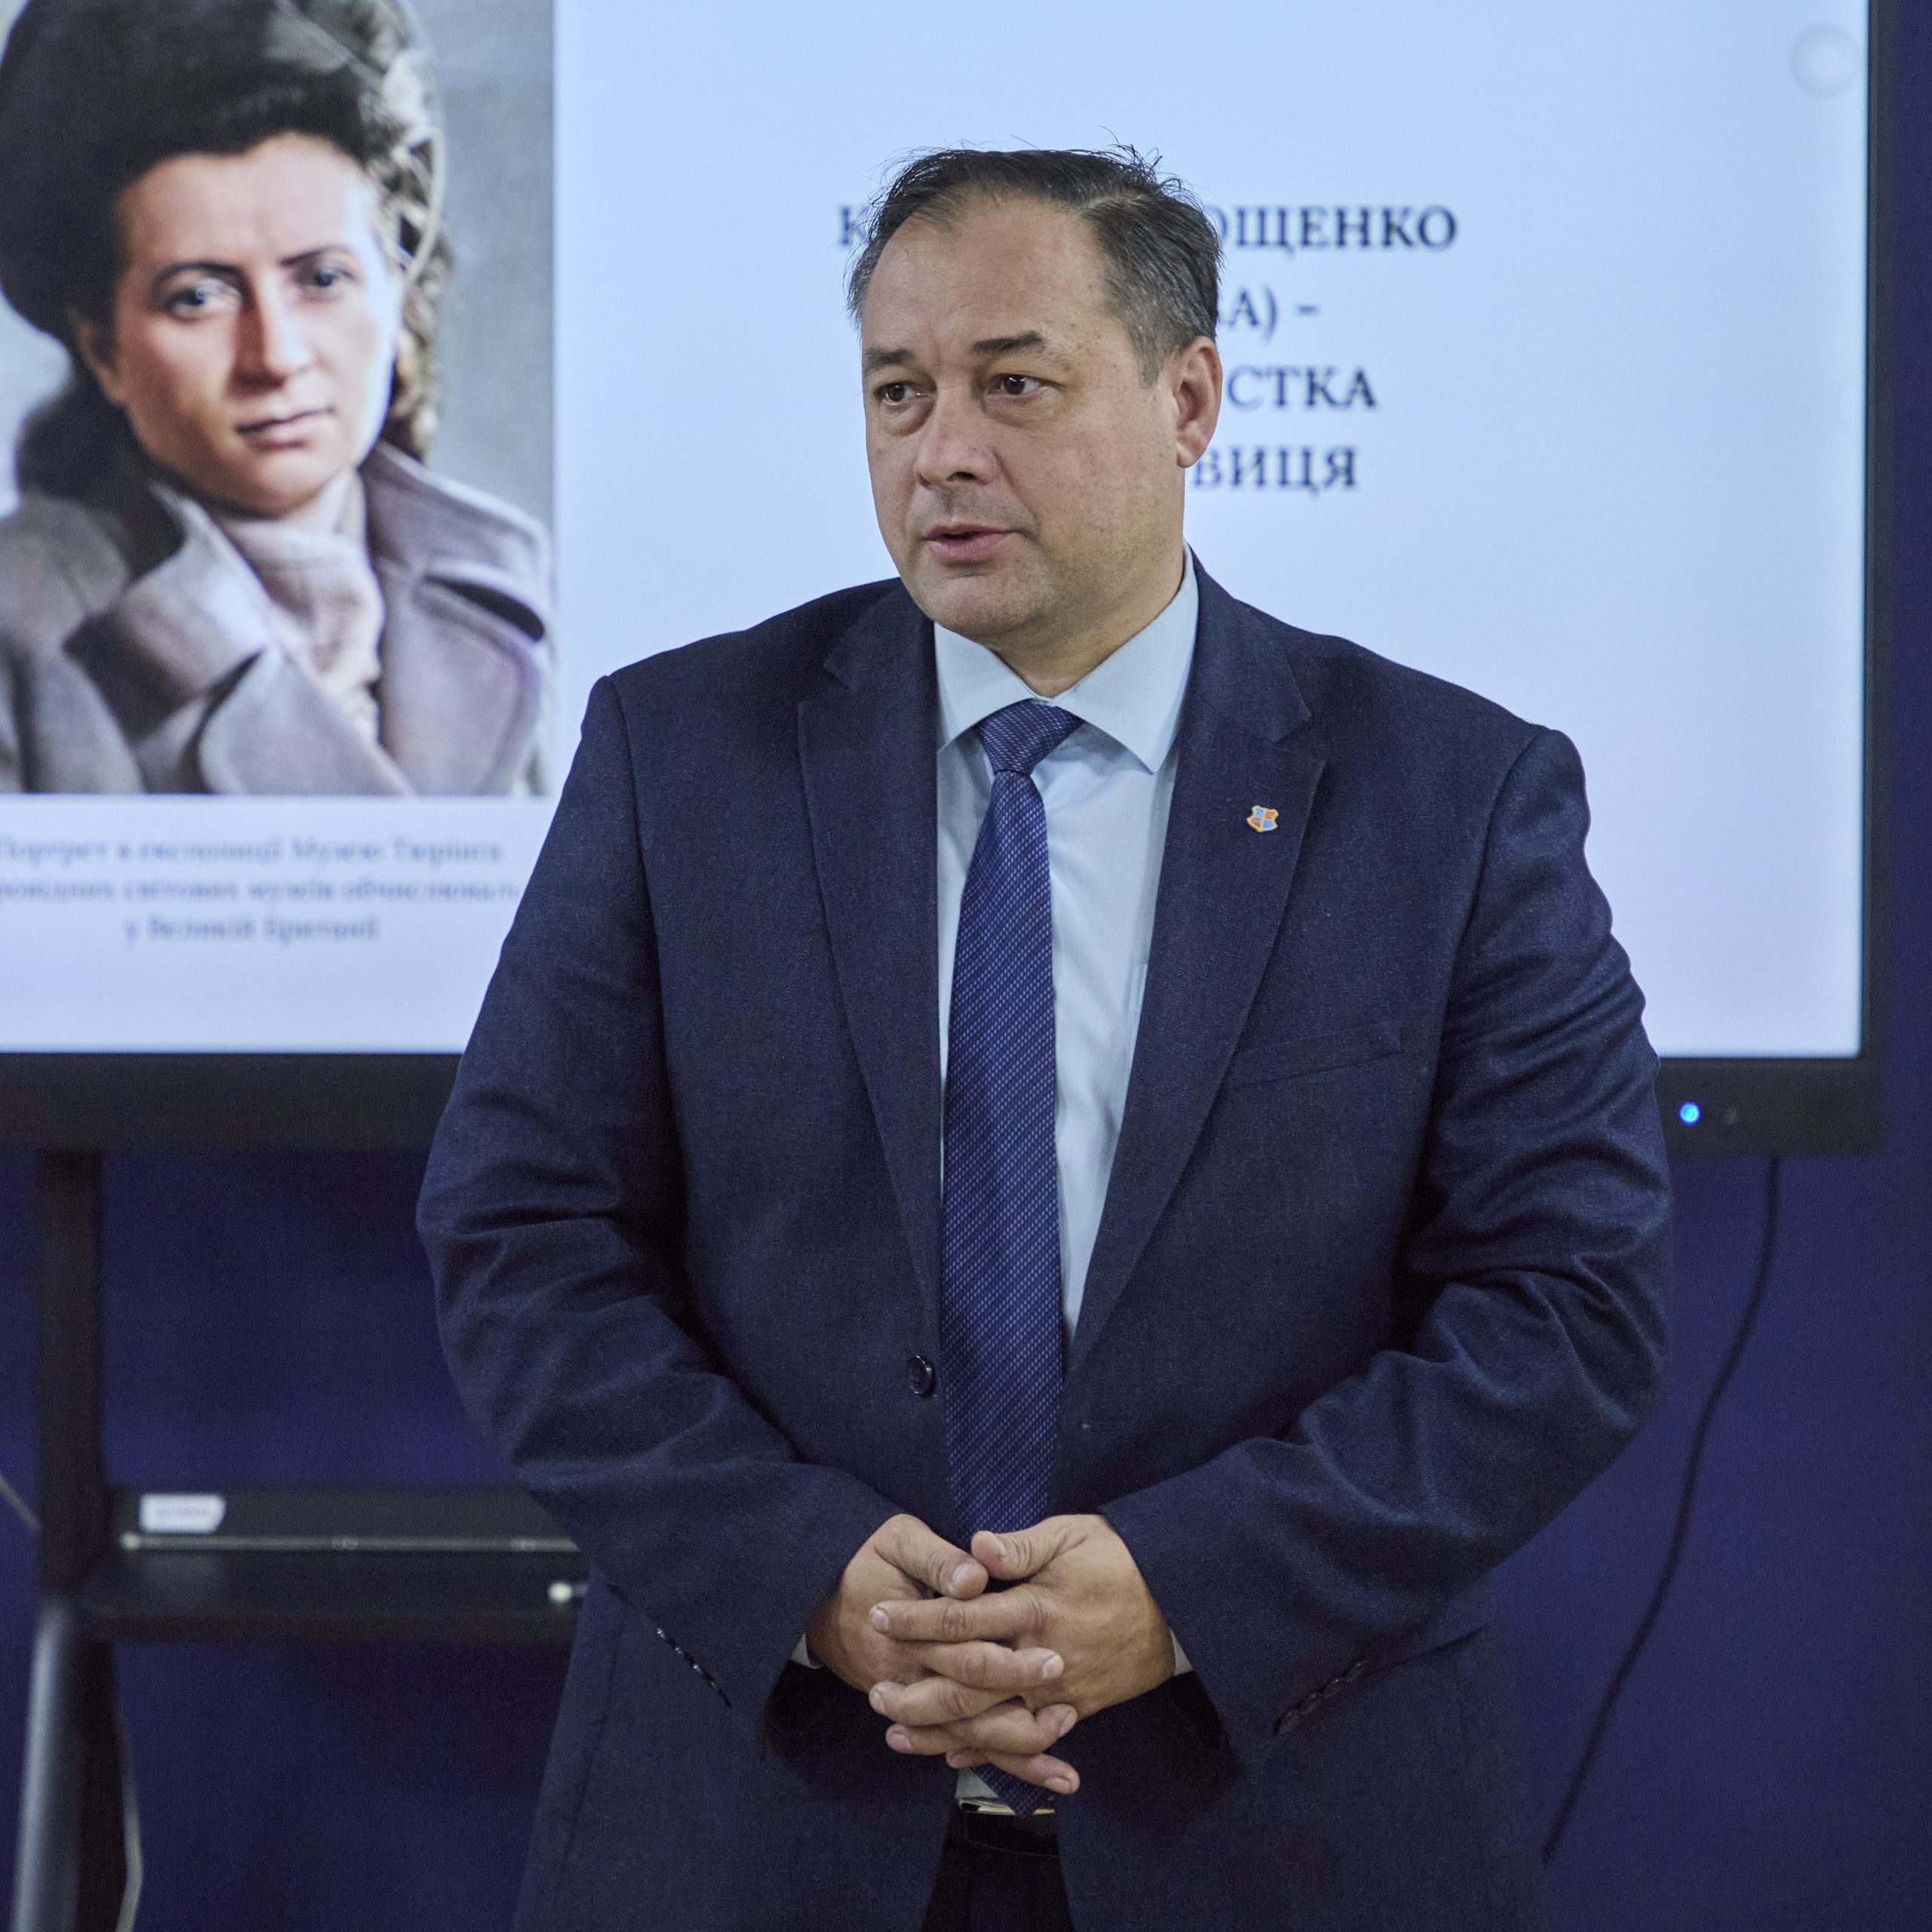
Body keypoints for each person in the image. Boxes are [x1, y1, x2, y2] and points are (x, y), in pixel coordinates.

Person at [419, 147, 1671, 1931]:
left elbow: (1565, 1301)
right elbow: (520, 1233)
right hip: (757, 1821)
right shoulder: (679, 754)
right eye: (897, 392)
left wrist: (1183, 1583)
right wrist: (804, 1573)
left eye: (1012, 384)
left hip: (1279, 1830)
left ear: (1187, 400)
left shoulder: (1448, 799)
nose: (940, 450)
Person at [0, 0, 552, 795]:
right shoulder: (22, 625)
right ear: (104, 350)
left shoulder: (509, 580)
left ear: (395, 287)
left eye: (322, 278)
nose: (276, 357)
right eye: (198, 297)